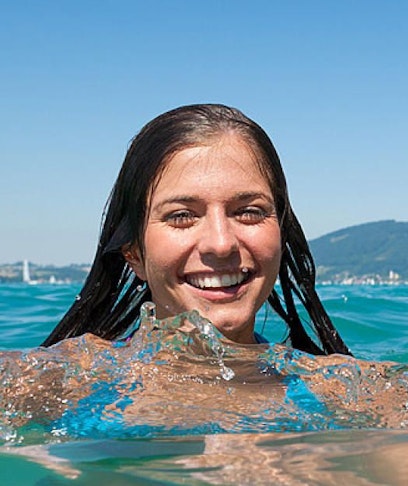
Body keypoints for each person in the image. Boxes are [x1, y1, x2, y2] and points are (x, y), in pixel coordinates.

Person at [42, 103, 351, 356]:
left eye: (248, 212)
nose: (220, 243)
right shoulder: (50, 385)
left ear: (280, 235)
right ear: (134, 253)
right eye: (181, 216)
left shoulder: (345, 393)